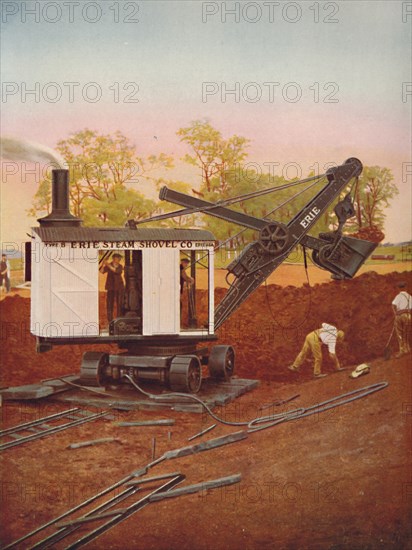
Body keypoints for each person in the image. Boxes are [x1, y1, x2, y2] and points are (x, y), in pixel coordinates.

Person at [99, 253, 124, 323]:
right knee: (109, 303)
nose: (119, 259)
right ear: (114, 258)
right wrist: (103, 265)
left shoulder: (120, 266)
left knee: (119, 303)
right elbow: (101, 271)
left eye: (119, 258)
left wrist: (107, 264)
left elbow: (116, 271)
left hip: (119, 287)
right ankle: (110, 320)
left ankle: (119, 318)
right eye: (118, 258)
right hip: (110, 287)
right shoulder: (109, 265)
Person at [391, 282, 411, 357]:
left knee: (400, 334)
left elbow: (393, 305)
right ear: (405, 287)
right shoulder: (409, 296)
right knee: (406, 332)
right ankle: (407, 349)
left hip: (400, 315)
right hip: (408, 315)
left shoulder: (399, 296)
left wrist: (395, 313)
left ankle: (402, 350)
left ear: (399, 288)